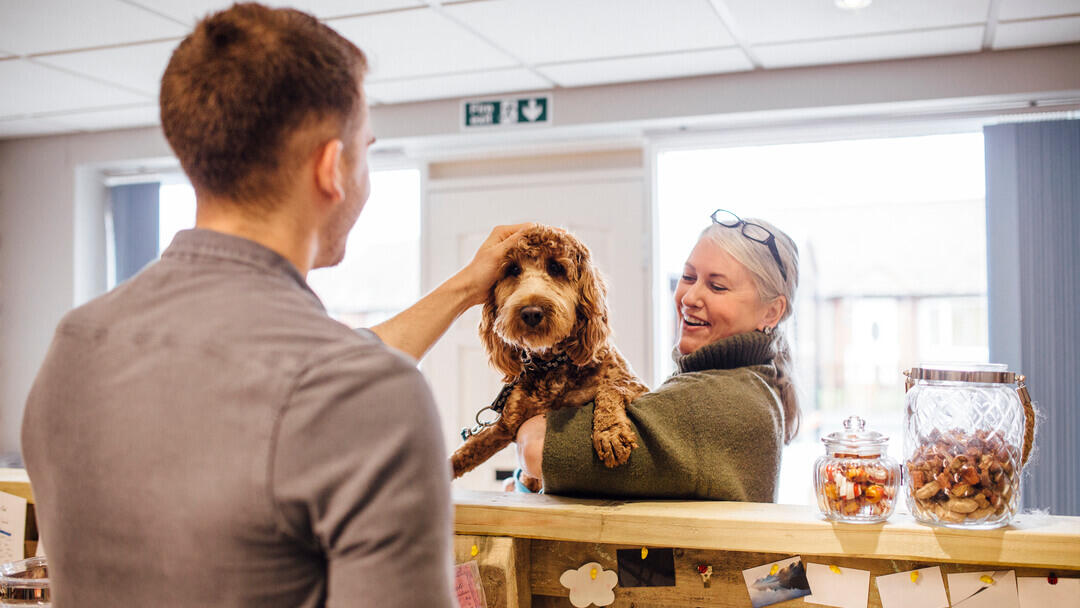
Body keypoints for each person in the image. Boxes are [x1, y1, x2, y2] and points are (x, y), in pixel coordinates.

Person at [21, 4, 526, 607]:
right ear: (330, 166)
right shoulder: (364, 393)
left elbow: (299, 379)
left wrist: (469, 287)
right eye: (365, 150)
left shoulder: (76, 345)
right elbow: (331, 385)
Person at [514, 209, 800, 501]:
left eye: (717, 286)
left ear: (771, 312)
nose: (689, 298)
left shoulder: (716, 401)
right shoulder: (752, 384)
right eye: (688, 277)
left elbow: (536, 450)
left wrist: (527, 424)